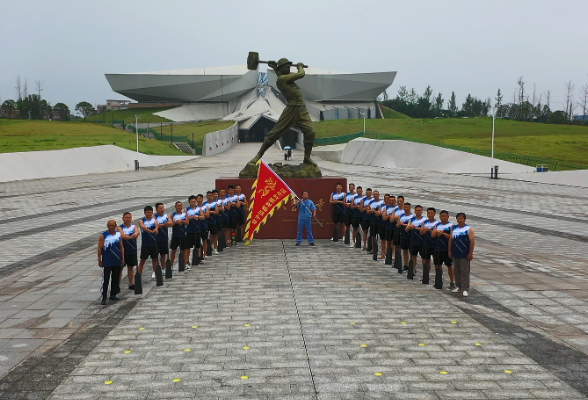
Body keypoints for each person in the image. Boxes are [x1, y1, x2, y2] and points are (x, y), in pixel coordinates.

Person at [250, 59, 317, 167]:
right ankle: (258, 155)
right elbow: (301, 74)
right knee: (275, 133)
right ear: (281, 69)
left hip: (302, 109)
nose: (288, 68)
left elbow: (283, 74)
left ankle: (307, 157)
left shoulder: (283, 77)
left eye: (289, 66)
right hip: (291, 109)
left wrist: (275, 69)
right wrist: (299, 66)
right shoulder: (282, 79)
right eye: (285, 67)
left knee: (310, 132)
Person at [97, 219, 124, 305]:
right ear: (107, 226)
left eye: (113, 225)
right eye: (110, 226)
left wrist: (123, 258)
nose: (111, 227)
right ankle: (104, 297)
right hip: (107, 260)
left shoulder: (118, 234)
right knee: (106, 279)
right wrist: (99, 259)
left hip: (117, 260)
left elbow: (121, 246)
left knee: (115, 278)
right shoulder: (103, 235)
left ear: (116, 226)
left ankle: (113, 294)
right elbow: (99, 248)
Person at [449, 213, 475, 297]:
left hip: (464, 254)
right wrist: (449, 251)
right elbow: (450, 240)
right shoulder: (454, 228)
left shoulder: (468, 229)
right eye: (458, 218)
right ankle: (459, 287)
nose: (459, 220)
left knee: (464, 272)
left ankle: (465, 289)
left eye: (461, 218)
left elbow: (472, 241)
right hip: (455, 253)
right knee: (456, 271)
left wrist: (470, 253)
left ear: (464, 219)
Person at [432, 210, 455, 290]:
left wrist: (444, 234)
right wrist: (436, 232)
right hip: (437, 248)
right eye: (442, 216)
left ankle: (452, 282)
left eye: (445, 216)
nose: (443, 218)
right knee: (437, 265)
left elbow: (452, 237)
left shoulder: (451, 226)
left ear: (448, 217)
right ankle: (439, 280)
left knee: (449, 266)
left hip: (447, 249)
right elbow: (432, 235)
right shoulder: (437, 225)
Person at [119, 212, 139, 290]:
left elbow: (137, 232)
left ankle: (131, 284)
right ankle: (117, 285)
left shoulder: (134, 226)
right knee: (120, 268)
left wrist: (136, 233)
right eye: (126, 218)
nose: (128, 219)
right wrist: (131, 236)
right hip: (123, 251)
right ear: (123, 218)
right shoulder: (120, 227)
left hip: (132, 250)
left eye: (129, 217)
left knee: (131, 268)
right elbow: (122, 236)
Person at [138, 205, 159, 278]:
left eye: (150, 212)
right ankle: (139, 274)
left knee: (155, 259)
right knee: (142, 260)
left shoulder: (154, 220)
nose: (149, 214)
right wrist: (151, 231)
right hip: (145, 244)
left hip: (153, 243)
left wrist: (156, 229)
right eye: (148, 212)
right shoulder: (141, 221)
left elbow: (157, 226)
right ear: (145, 213)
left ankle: (155, 272)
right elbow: (143, 227)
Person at [420, 207, 439, 285]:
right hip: (426, 244)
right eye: (429, 213)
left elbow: (436, 233)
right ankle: (425, 275)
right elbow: (421, 232)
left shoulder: (437, 223)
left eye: (431, 213)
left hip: (435, 245)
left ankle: (437, 277)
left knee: (436, 263)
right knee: (426, 260)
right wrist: (423, 230)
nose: (430, 215)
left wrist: (431, 230)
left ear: (434, 214)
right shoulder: (424, 222)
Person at [406, 205, 427, 276]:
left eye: (419, 210)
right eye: (417, 210)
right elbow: (407, 229)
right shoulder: (411, 219)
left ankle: (425, 273)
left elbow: (424, 230)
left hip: (422, 242)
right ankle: (413, 270)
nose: (418, 212)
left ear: (422, 211)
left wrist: (420, 229)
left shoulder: (424, 220)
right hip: (413, 241)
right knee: (413, 256)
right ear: (415, 211)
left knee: (423, 258)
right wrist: (409, 226)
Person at [170, 201, 189, 267]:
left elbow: (187, 222)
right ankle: (171, 265)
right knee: (173, 250)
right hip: (175, 235)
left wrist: (182, 221)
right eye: (178, 206)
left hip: (183, 234)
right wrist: (176, 222)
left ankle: (185, 263)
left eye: (181, 206)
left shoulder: (184, 214)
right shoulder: (173, 215)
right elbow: (170, 224)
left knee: (184, 250)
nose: (180, 207)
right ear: (175, 207)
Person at [155, 203, 172, 275]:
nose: (162, 209)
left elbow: (171, 223)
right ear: (156, 209)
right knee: (155, 256)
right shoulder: (154, 217)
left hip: (164, 238)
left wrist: (166, 224)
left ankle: (163, 268)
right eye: (160, 208)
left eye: (163, 208)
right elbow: (156, 225)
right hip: (156, 239)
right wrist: (164, 224)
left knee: (163, 255)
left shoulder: (167, 216)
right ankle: (155, 270)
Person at [186, 195, 202, 269]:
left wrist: (198, 217)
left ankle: (198, 258)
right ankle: (187, 260)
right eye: (192, 201)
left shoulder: (199, 209)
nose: (193, 203)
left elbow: (203, 217)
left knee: (198, 245)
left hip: (197, 229)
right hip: (189, 230)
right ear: (189, 202)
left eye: (194, 201)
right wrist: (192, 217)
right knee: (188, 247)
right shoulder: (186, 209)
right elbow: (185, 218)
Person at [397, 202, 414, 270]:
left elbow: (412, 226)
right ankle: (406, 264)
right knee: (404, 251)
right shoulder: (401, 216)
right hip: (403, 235)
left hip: (410, 236)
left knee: (411, 252)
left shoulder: (413, 217)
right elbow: (397, 225)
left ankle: (412, 265)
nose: (406, 209)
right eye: (405, 207)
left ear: (410, 208)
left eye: (407, 207)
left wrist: (403, 224)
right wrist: (399, 224)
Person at [367, 190, 384, 255]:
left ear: (379, 195)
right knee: (373, 236)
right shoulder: (371, 202)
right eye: (374, 194)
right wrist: (371, 211)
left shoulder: (382, 202)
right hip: (373, 222)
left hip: (380, 222)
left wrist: (377, 212)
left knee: (382, 238)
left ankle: (383, 252)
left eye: (376, 194)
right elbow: (367, 211)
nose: (375, 195)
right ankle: (373, 249)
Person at [381, 195, 398, 260]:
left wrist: (392, 217)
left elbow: (398, 217)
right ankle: (387, 253)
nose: (391, 201)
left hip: (395, 227)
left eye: (393, 200)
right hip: (388, 226)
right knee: (388, 241)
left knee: (394, 241)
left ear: (395, 201)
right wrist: (390, 216)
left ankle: (393, 254)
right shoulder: (386, 207)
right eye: (390, 200)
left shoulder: (397, 208)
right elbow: (384, 217)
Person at [196, 194, 211, 261]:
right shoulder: (194, 208)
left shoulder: (206, 207)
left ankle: (205, 254)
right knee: (198, 242)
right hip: (197, 227)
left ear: (202, 199)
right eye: (198, 199)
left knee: (205, 240)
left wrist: (201, 213)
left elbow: (207, 215)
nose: (199, 200)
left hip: (204, 225)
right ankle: (199, 255)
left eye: (200, 198)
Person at [344, 183, 357, 248]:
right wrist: (346, 204)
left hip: (354, 213)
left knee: (355, 227)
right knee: (347, 225)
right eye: (350, 187)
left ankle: (354, 240)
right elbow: (344, 202)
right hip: (348, 212)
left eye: (352, 187)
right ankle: (346, 237)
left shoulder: (356, 195)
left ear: (354, 187)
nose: (351, 188)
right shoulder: (347, 194)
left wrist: (352, 205)